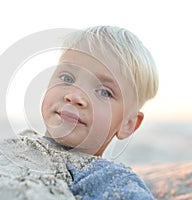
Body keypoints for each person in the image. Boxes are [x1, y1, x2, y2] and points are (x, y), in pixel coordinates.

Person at [39, 26, 158, 199]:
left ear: (128, 124)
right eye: (67, 78)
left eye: (104, 92)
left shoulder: (109, 179)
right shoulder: (7, 148)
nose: (75, 96)